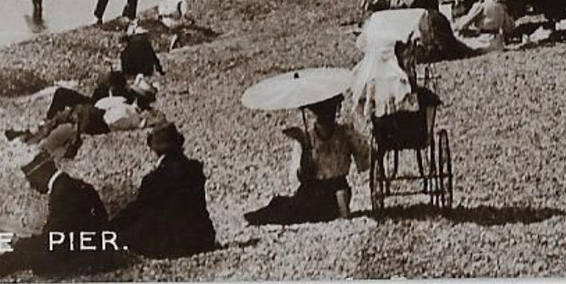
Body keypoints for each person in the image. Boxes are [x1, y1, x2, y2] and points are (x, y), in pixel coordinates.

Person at [0, 159, 124, 283]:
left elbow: (53, 237)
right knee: (25, 246)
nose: (32, 186)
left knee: (24, 248)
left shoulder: (62, 193)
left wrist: (25, 239)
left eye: (31, 179)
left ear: (42, 173)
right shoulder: (73, 185)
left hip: (86, 258)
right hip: (96, 250)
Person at [244, 96, 371, 224]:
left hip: (332, 193)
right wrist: (304, 146)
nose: (327, 116)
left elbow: (365, 157)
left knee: (291, 210)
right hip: (316, 190)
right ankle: (261, 215)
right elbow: (301, 175)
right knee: (286, 205)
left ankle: (259, 217)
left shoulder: (344, 133)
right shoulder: (311, 137)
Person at [111, 122, 218, 259]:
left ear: (155, 149)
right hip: (202, 238)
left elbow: (139, 209)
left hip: (171, 243)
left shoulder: (155, 178)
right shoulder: (194, 169)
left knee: (127, 232)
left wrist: (115, 222)